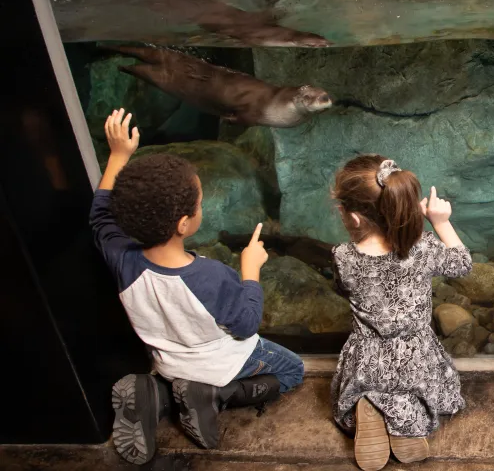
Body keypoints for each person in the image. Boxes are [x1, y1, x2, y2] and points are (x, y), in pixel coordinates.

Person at [90, 108, 304, 464]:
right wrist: (250, 270)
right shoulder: (210, 276)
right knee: (292, 370)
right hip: (223, 364)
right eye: (200, 202)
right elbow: (246, 323)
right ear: (185, 223)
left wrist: (118, 155)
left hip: (168, 364)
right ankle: (217, 395)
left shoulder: (121, 259)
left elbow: (100, 215)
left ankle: (157, 395)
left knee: (173, 377)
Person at [329, 155, 473, 471]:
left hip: (367, 362)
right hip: (416, 359)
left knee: (371, 377)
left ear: (353, 218)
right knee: (416, 386)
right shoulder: (422, 248)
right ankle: (406, 414)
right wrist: (440, 220)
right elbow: (462, 263)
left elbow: (343, 288)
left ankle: (369, 401)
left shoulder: (342, 256)